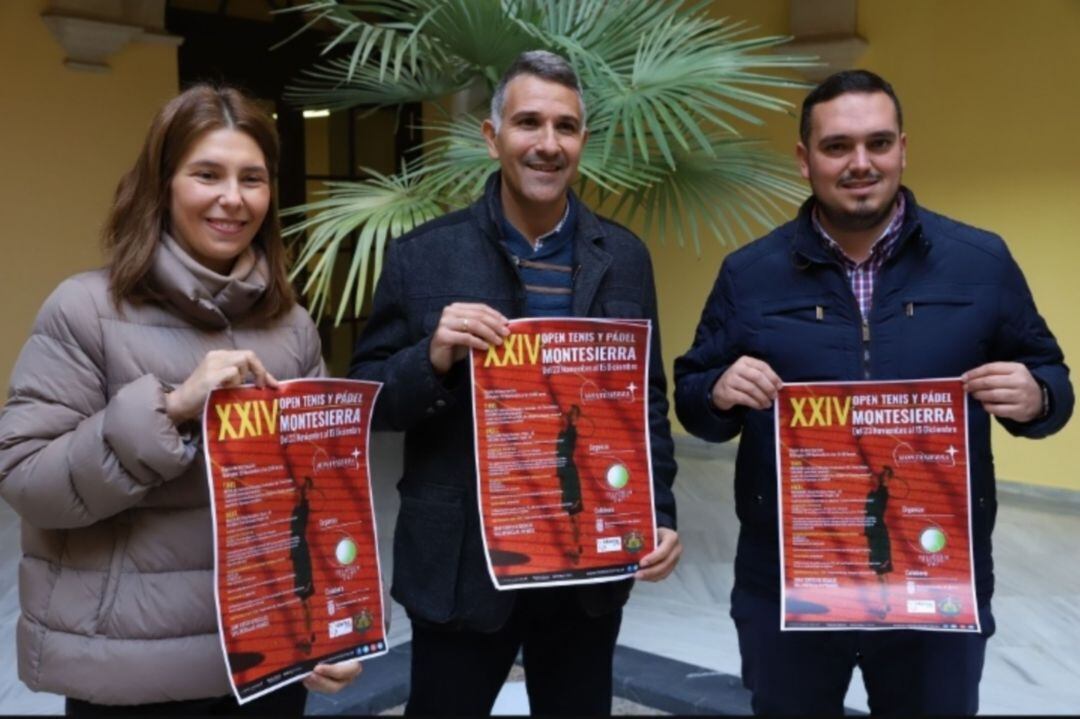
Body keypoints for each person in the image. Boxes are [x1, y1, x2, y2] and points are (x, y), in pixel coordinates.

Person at [673, 69, 1072, 715]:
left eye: (878, 143)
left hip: (935, 581)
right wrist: (717, 392)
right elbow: (692, 397)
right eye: (837, 146)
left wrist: (1038, 396)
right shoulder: (750, 274)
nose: (861, 162)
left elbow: (1051, 377)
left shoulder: (981, 261)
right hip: (789, 585)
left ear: (903, 149)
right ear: (805, 159)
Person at [0, 85, 361, 715]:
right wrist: (169, 409)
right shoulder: (86, 309)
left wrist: (334, 618)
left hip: (267, 664)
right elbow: (25, 480)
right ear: (162, 184)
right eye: (207, 174)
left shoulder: (293, 326)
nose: (233, 198)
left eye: (252, 178)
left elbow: (320, 494)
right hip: (133, 671)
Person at [349, 50, 682, 715]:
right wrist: (433, 356)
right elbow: (369, 401)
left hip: (585, 566)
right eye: (529, 122)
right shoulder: (425, 254)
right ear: (492, 135)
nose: (547, 144)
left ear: (583, 140)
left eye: (565, 126)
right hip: (462, 565)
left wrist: (661, 514)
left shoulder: (622, 257)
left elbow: (645, 400)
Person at [556, 404, 584, 563]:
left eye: (572, 415)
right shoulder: (560, 433)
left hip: (571, 477)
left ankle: (577, 547)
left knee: (575, 515)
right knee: (570, 515)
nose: (565, 417)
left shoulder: (571, 432)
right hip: (564, 478)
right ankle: (575, 545)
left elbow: (570, 421)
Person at [864, 466, 893, 618]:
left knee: (882, 574)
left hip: (880, 538)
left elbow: (885, 480)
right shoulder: (871, 493)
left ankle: (884, 605)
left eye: (876, 477)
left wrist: (886, 473)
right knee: (879, 574)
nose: (871, 478)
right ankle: (886, 603)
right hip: (873, 537)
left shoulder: (882, 493)